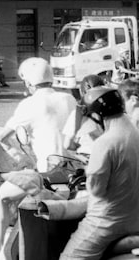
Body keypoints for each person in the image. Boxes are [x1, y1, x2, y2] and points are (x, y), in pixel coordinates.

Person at [58, 86, 139, 260]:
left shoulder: (106, 142)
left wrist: (89, 170)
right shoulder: (134, 131)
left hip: (107, 221)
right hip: (133, 217)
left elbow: (96, 190)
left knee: (69, 258)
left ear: (96, 115)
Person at [4, 57, 77, 173]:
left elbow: (3, 136)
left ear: (28, 83)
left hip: (49, 170)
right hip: (76, 167)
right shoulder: (69, 99)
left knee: (4, 191)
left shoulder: (29, 104)